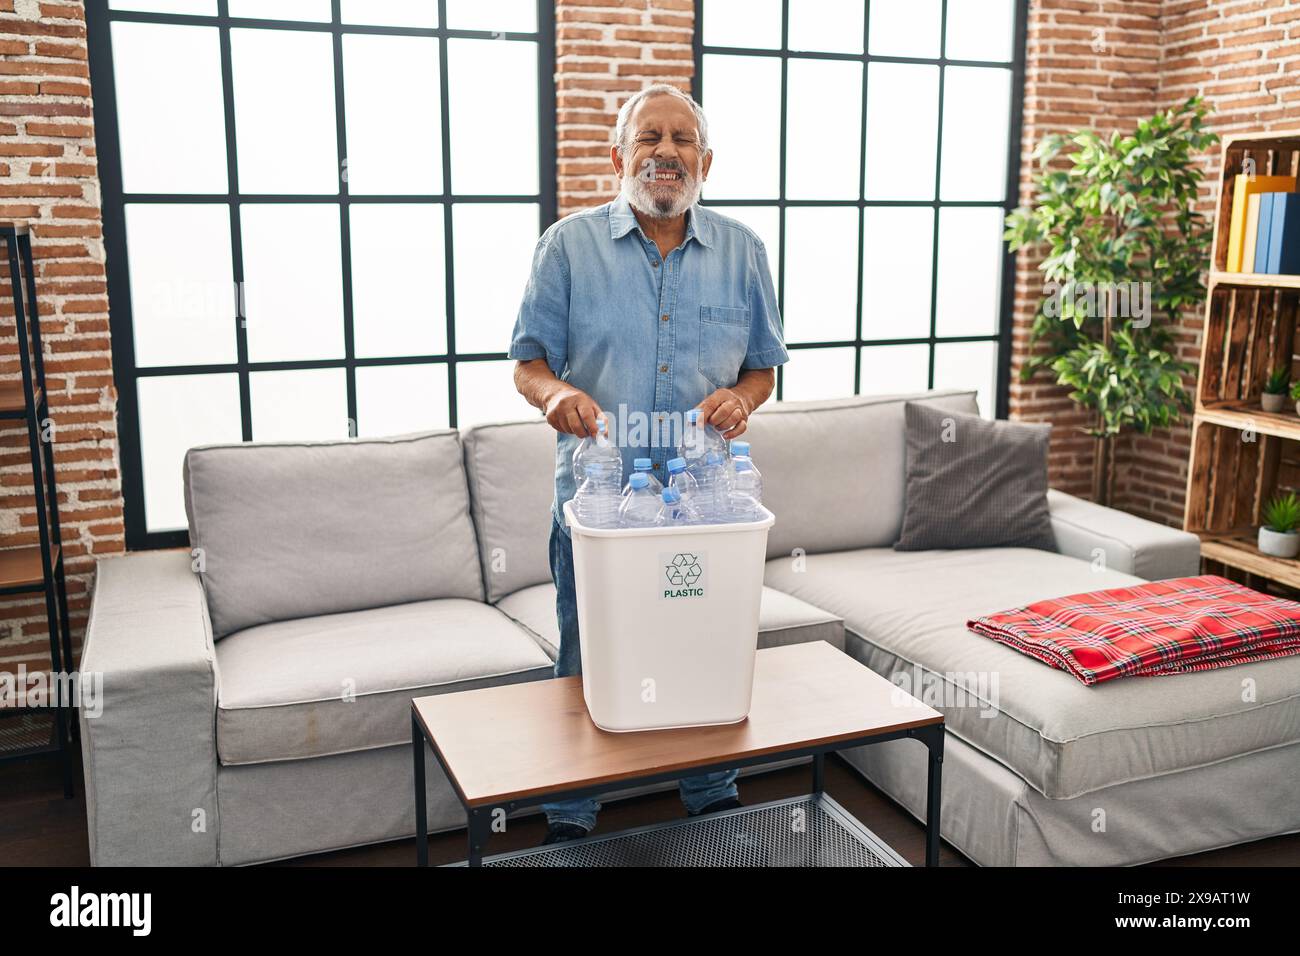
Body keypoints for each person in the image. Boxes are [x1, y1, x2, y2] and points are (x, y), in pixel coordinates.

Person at [509, 83, 788, 845]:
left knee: (705, 644)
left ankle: (711, 793)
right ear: (619, 156)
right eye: (649, 138)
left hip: (707, 505)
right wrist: (554, 394)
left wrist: (743, 398)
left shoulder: (744, 251)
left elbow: (764, 369)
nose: (666, 153)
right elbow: (527, 362)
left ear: (705, 161)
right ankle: (571, 814)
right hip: (600, 506)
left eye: (681, 139)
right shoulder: (567, 247)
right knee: (583, 649)